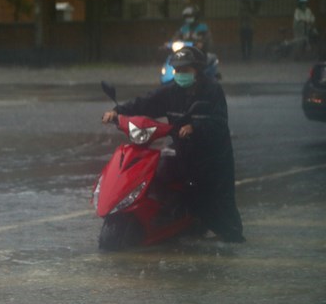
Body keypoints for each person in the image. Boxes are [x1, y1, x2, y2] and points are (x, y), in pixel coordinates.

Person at [101, 46, 245, 243]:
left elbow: (219, 122)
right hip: (184, 152)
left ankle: (232, 236)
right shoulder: (172, 91)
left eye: (185, 70)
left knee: (221, 211)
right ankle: (169, 218)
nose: (180, 75)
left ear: (197, 71)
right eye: (177, 71)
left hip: (212, 158)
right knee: (158, 172)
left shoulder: (212, 90)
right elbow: (146, 102)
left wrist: (195, 127)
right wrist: (118, 112)